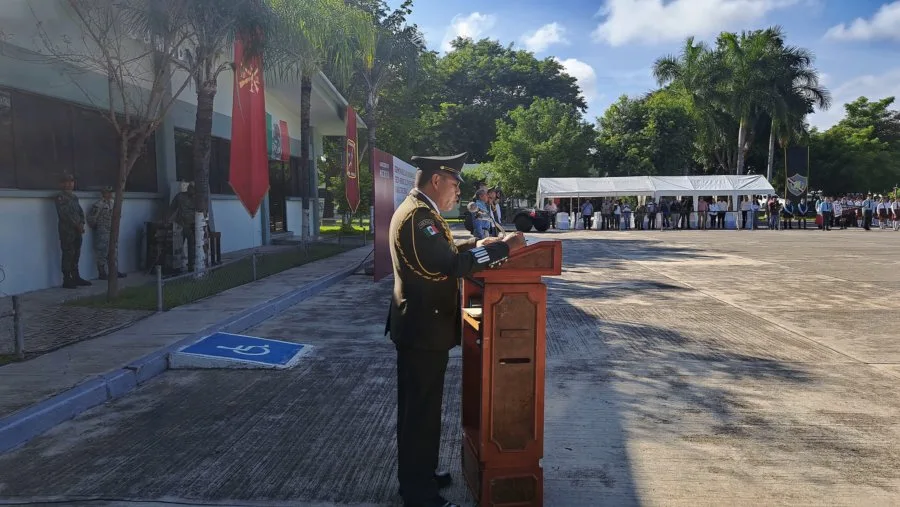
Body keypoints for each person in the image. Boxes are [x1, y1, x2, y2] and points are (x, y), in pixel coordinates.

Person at [385, 152, 526, 507]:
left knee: (425, 409)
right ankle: (418, 492)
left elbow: (444, 253)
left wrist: (477, 245)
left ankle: (421, 472)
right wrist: (499, 250)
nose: (457, 192)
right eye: (454, 184)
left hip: (423, 327)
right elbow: (448, 266)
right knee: (420, 413)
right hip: (421, 330)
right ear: (436, 180)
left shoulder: (424, 212)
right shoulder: (418, 217)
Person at [54, 174, 91, 289]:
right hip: (67, 231)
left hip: (77, 230)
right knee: (68, 253)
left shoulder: (74, 197)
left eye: (71, 182)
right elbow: (64, 214)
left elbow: (80, 212)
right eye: (66, 182)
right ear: (61, 184)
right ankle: (67, 279)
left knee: (76, 253)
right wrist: (76, 225)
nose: (69, 184)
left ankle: (76, 276)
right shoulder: (60, 197)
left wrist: (82, 224)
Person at [88, 186, 126, 280]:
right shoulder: (98, 205)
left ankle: (114, 271)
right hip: (102, 232)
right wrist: (97, 227)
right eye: (107, 192)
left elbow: (118, 216)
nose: (109, 194)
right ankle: (102, 272)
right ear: (103, 193)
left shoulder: (113, 203)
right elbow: (91, 218)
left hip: (112, 231)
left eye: (111, 192)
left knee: (114, 251)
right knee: (102, 252)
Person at [168, 183, 197, 272]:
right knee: (177, 247)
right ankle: (177, 267)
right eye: (190, 188)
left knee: (192, 247)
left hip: (192, 226)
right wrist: (167, 220)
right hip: (181, 225)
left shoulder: (198, 199)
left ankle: (191, 266)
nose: (190, 189)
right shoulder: (180, 196)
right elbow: (172, 208)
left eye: (192, 188)